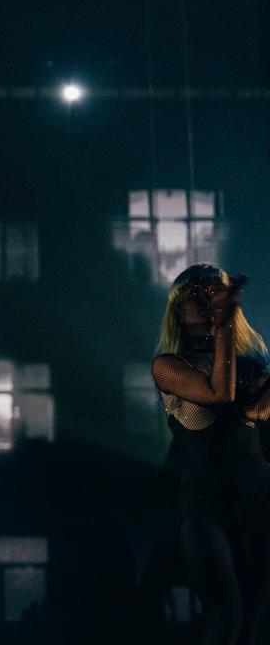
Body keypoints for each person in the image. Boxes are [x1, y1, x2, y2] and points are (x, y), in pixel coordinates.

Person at [150, 263, 270, 644]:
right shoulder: (169, 367)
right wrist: (226, 326)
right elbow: (220, 393)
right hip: (206, 509)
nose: (207, 305)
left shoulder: (252, 365)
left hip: (260, 501)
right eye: (197, 298)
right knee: (226, 617)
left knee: (257, 621)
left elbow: (256, 412)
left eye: (213, 296)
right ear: (178, 308)